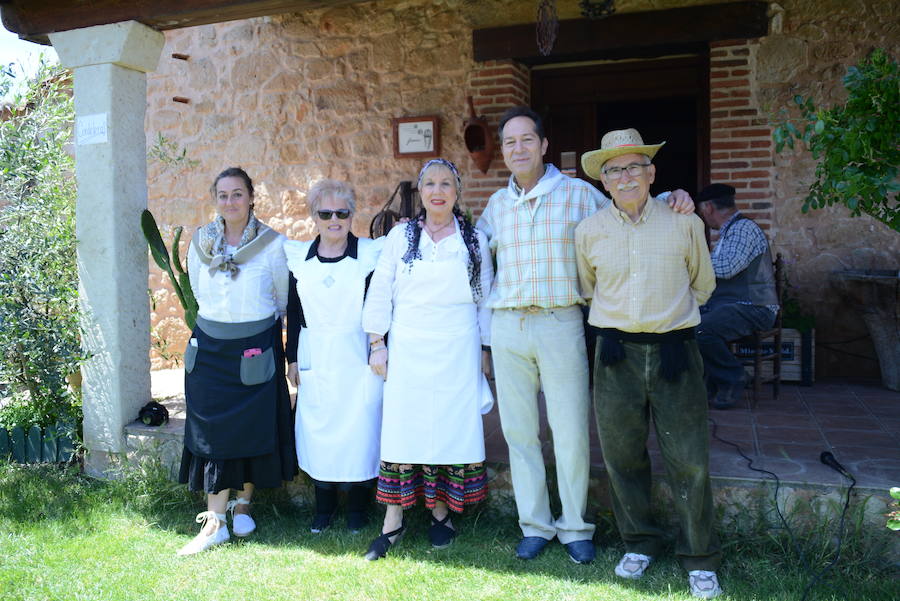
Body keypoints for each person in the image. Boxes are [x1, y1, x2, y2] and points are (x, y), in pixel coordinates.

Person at [476, 106, 694, 564]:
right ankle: (534, 524)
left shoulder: (579, 195)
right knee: (519, 432)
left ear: (543, 145)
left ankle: (575, 526)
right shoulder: (496, 206)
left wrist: (675, 194)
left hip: (560, 322)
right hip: (509, 325)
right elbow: (474, 259)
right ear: (503, 150)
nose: (518, 148)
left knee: (571, 430)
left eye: (526, 140)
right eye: (509, 142)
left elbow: (633, 209)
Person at [575, 128, 721, 599]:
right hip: (614, 354)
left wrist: (669, 317)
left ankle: (699, 557)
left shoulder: (684, 223)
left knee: (690, 460)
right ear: (604, 181)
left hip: (675, 352)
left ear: (652, 172)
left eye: (634, 165)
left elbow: (703, 285)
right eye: (614, 169)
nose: (625, 176)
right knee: (621, 457)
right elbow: (589, 289)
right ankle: (640, 541)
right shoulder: (589, 232)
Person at [361, 158, 493, 560]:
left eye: (446, 184)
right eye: (430, 183)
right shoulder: (400, 237)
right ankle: (392, 521)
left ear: (457, 190)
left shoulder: (474, 240)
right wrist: (377, 341)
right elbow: (381, 288)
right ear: (420, 190)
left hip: (458, 347)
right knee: (404, 429)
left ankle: (442, 514)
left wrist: (485, 350)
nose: (438, 191)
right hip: (410, 346)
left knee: (450, 429)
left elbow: (484, 298)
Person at [177, 167, 297, 555]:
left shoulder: (273, 245)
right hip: (210, 348)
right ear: (216, 199)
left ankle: (243, 504)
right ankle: (215, 522)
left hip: (256, 346)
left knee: (252, 428)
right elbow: (198, 290)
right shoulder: (200, 242)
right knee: (213, 432)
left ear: (251, 198)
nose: (230, 202)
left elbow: (282, 299)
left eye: (238, 194)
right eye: (223, 195)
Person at [284, 180, 384, 533]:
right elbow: (293, 311)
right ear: (314, 216)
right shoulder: (298, 258)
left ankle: (358, 509)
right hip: (316, 355)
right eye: (325, 213)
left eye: (342, 213)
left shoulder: (370, 255)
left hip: (357, 354)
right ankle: (323, 508)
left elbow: (379, 304)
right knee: (318, 430)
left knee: (359, 428)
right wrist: (291, 357)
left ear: (352, 214)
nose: (334, 220)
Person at [695, 183, 779, 409]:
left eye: (702, 211)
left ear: (709, 207)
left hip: (755, 306)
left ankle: (733, 377)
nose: (703, 216)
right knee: (686, 321)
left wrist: (691, 263)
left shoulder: (743, 229)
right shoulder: (728, 233)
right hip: (732, 305)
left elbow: (726, 268)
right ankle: (709, 384)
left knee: (701, 329)